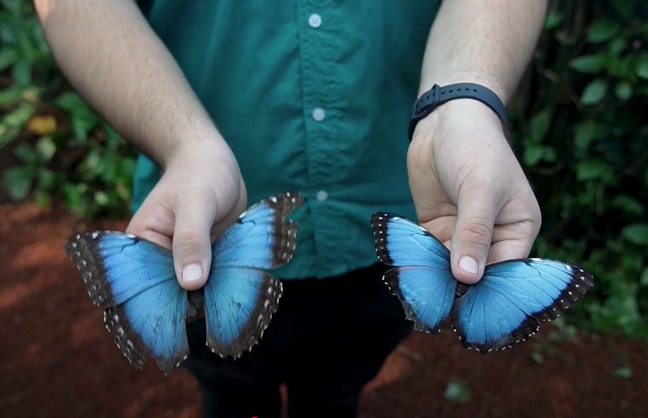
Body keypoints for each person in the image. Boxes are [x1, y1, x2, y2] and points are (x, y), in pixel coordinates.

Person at [35, 0, 547, 417]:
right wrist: (184, 143)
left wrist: (464, 104)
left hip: (392, 225)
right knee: (230, 395)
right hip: (198, 234)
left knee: (337, 391)